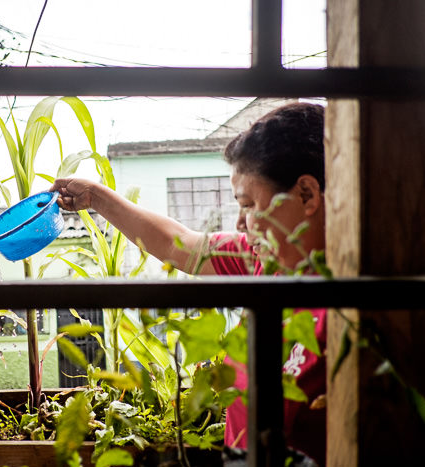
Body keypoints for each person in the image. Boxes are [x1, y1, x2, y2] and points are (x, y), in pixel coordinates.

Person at [50, 102, 327, 465]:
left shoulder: (357, 308)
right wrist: (96, 197)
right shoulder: (264, 260)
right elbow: (175, 243)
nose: (241, 224)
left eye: (250, 204)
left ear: (306, 194)